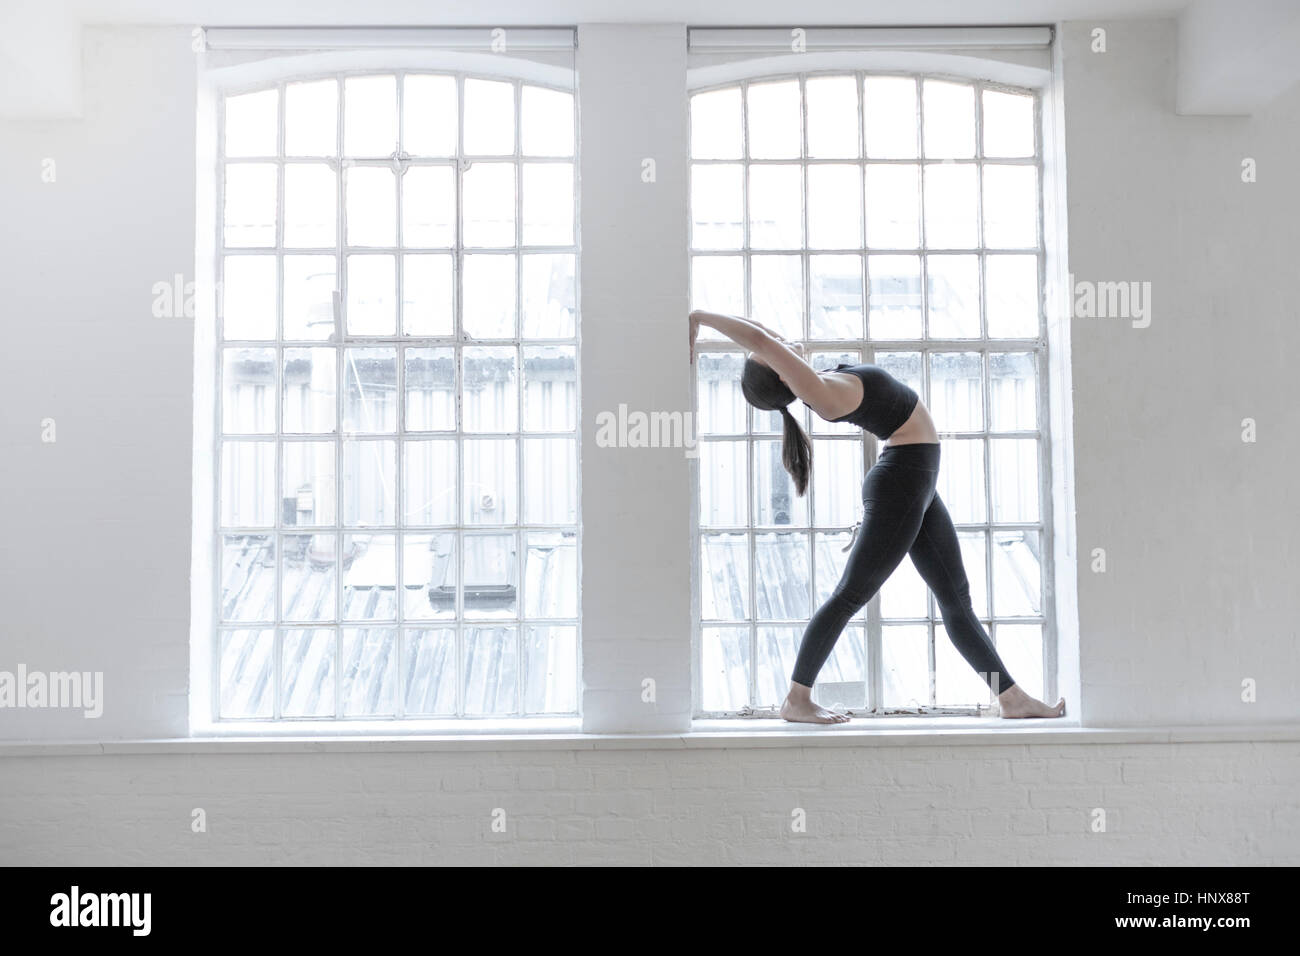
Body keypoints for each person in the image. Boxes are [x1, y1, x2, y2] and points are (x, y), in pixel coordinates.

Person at [689, 309, 1067, 723]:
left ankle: (1011, 697)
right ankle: (797, 698)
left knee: (956, 599)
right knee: (851, 593)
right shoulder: (819, 392)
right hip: (902, 481)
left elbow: (762, 336)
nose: (778, 344)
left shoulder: (821, 380)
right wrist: (700, 317)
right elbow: (761, 343)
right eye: (773, 356)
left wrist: (739, 334)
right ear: (783, 375)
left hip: (915, 479)